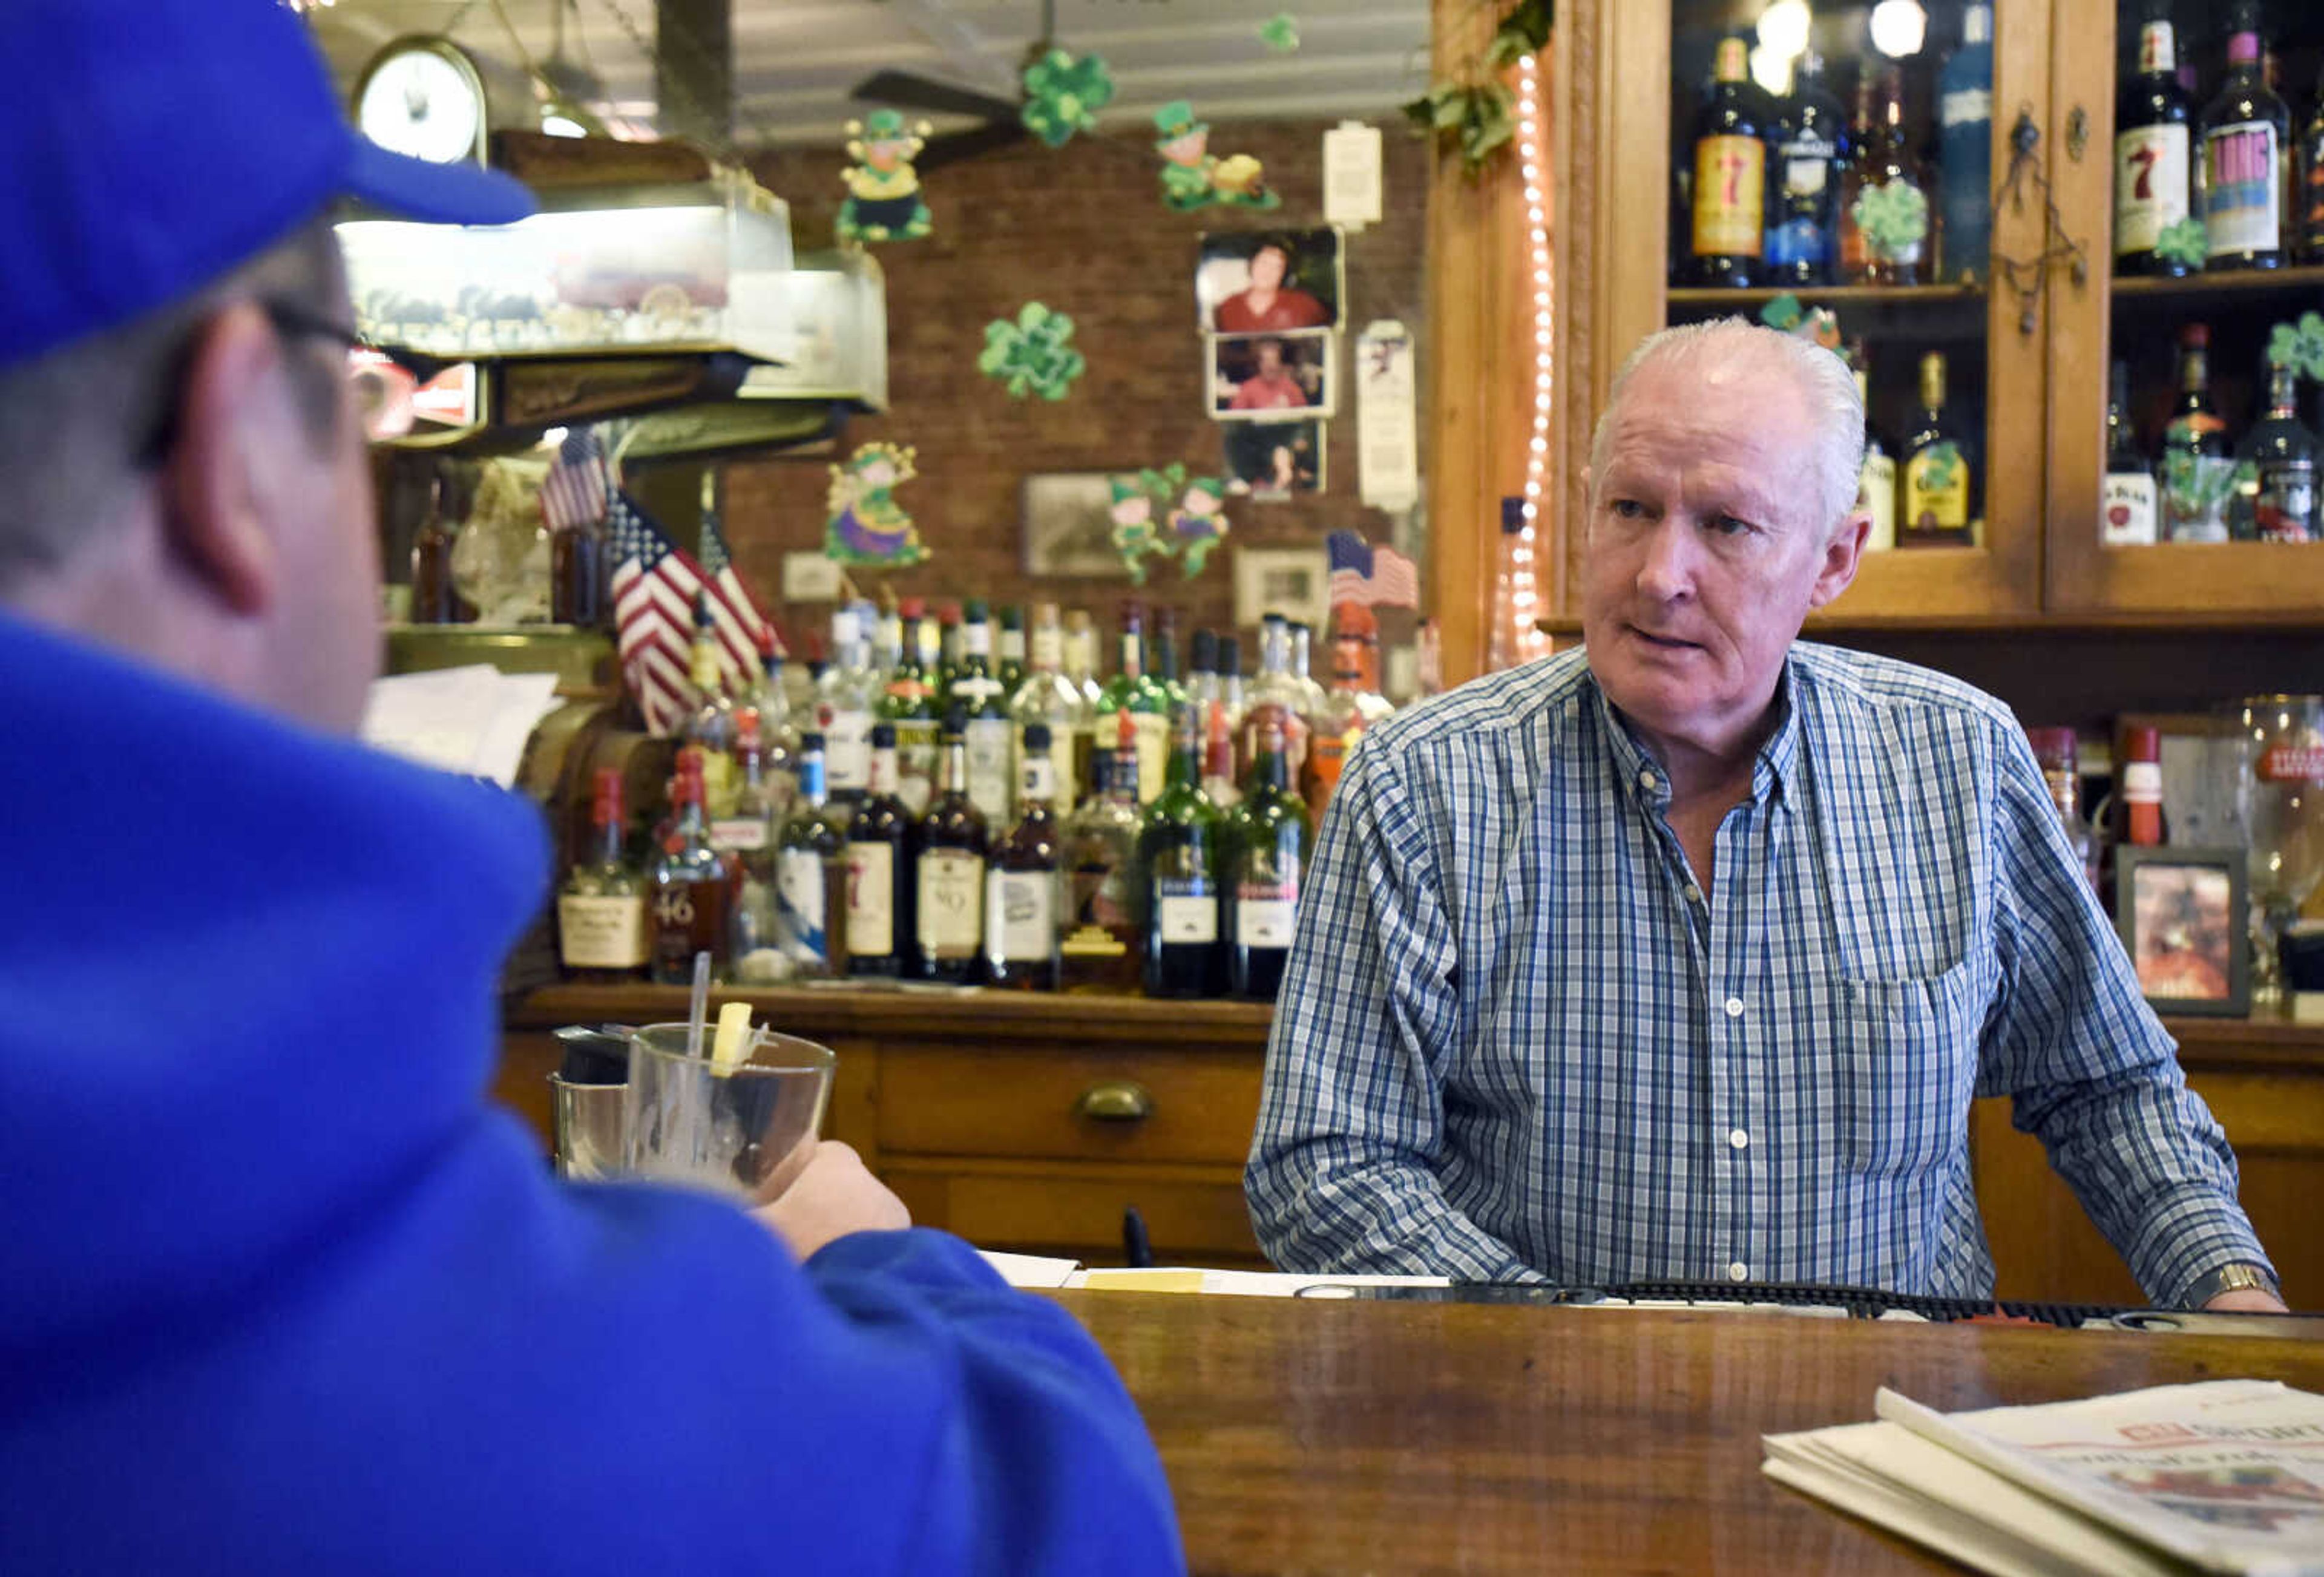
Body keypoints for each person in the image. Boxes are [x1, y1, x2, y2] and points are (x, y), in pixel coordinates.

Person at [0, 4, 1184, 1572]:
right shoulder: (445, 1371)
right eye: (358, 391)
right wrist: (886, 1260)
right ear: (232, 448)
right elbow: (1062, 1509)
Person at [1246, 320, 2285, 1314]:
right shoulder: (1425, 783)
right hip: (1543, 1421)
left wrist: (2231, 1292)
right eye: (1631, 510)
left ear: (1835, 559)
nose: (1661, 576)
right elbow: (1327, 1166)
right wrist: (1569, 1340)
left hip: (1897, 1422)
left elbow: (2107, 1086)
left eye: (1727, 525)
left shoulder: (1957, 761)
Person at [1213, 240, 1328, 333]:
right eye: (1264, 263)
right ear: (1251, 265)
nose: (1268, 272)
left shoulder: (1304, 304)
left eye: (1277, 267)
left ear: (1284, 274)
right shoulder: (1228, 307)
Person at [1228, 337, 1308, 412]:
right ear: (1259, 364)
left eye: (1274, 361)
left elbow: (1306, 417)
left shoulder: (1292, 388)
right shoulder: (1248, 388)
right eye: (1266, 361)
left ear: (1280, 364)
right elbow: (1234, 416)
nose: (1270, 366)